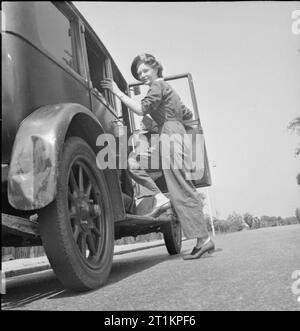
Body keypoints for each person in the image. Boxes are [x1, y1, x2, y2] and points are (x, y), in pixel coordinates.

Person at [100, 53, 214, 259]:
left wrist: (117, 92)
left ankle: (203, 239)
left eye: (145, 70)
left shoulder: (157, 87)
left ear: (155, 68)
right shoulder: (169, 89)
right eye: (139, 72)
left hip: (170, 136)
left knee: (180, 187)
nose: (142, 75)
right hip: (171, 135)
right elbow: (186, 115)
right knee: (133, 163)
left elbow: (141, 109)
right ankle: (161, 199)